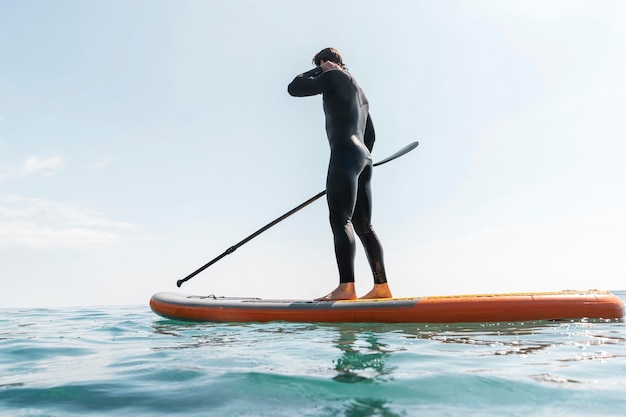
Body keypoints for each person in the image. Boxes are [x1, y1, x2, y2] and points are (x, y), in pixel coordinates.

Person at [288, 47, 392, 301]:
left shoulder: (334, 75)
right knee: (364, 227)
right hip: (364, 158)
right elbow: (371, 135)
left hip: (345, 153)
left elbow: (295, 87)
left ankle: (347, 287)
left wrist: (319, 69)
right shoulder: (361, 94)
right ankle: (382, 288)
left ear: (325, 62)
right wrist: (360, 165)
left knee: (340, 219)